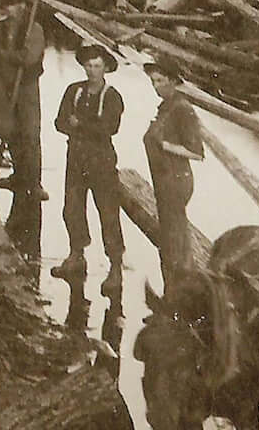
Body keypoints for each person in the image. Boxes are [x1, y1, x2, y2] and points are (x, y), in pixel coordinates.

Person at [55, 42, 129, 298]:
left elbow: (110, 128)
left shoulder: (112, 96)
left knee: (108, 213)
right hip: (76, 158)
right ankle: (76, 256)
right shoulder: (74, 90)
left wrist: (79, 124)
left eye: (97, 66)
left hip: (101, 161)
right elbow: (59, 122)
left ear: (105, 68)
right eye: (88, 65)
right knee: (72, 207)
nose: (92, 71)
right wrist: (79, 126)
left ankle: (115, 268)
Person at [145, 74, 207, 288]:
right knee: (173, 237)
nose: (156, 86)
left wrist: (166, 146)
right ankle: (174, 289)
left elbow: (197, 153)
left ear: (173, 81)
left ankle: (177, 291)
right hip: (164, 179)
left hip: (176, 179)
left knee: (174, 240)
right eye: (153, 81)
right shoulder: (166, 107)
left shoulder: (182, 108)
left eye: (160, 81)